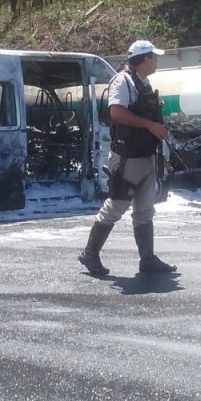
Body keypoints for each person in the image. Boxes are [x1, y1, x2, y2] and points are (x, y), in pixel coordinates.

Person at [78, 40, 177, 276]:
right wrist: (151, 125)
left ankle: (148, 259)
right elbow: (117, 113)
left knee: (145, 210)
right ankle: (89, 254)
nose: (156, 61)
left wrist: (159, 147)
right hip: (127, 157)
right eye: (154, 57)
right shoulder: (123, 81)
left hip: (146, 155)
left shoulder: (143, 82)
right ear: (144, 59)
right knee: (116, 206)